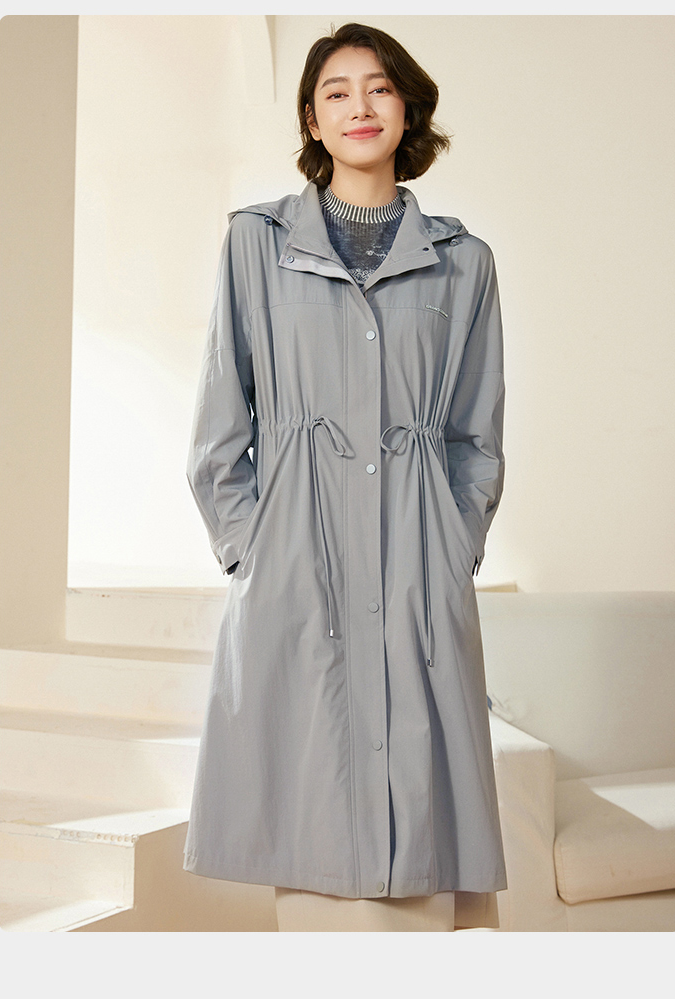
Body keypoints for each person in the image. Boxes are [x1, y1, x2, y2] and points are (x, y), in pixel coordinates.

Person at [183, 22, 507, 932]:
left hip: (417, 562)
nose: (359, 106)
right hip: (295, 558)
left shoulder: (464, 262)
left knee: (427, 853)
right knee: (311, 834)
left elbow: (475, 434)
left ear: (408, 109)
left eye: (378, 87)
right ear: (312, 121)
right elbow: (219, 427)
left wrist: (452, 545)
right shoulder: (256, 243)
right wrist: (253, 549)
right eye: (336, 91)